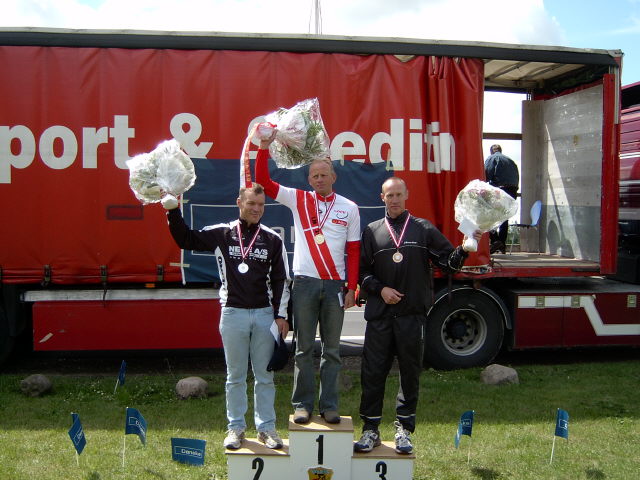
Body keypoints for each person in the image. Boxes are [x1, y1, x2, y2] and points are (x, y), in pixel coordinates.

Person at [354, 177, 481, 454]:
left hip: (411, 316)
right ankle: (370, 429)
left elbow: (448, 265)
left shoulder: (423, 229)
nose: (394, 199)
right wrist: (381, 289)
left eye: (398, 194)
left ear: (407, 195)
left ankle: (403, 429)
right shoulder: (372, 231)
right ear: (382, 197)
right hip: (380, 316)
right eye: (389, 195)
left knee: (410, 373)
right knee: (372, 373)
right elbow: (361, 273)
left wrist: (463, 249)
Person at [163, 184, 290, 450]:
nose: (256, 209)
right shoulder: (222, 233)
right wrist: (173, 211)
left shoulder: (272, 239)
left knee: (265, 376)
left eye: (261, 205)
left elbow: (281, 279)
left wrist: (280, 316)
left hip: (264, 315)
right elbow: (186, 239)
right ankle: (236, 428)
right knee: (235, 376)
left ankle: (267, 428)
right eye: (251, 203)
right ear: (239, 203)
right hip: (232, 313)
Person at [255, 133, 360, 425]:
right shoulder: (298, 199)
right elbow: (263, 181)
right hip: (304, 284)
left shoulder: (349, 207)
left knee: (332, 350)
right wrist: (263, 148)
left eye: (324, 175)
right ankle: (302, 404)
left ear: (333, 177)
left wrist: (352, 287)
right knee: (302, 348)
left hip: (335, 285)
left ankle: (329, 405)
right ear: (309, 179)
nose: (319, 179)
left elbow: (354, 250)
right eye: (315, 175)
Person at [484, 144, 519, 253]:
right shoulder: (511, 161)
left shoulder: (492, 158)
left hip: (500, 191)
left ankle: (495, 241)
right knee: (504, 218)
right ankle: (502, 245)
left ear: (491, 151)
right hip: (512, 192)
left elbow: (486, 175)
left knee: (487, 216)